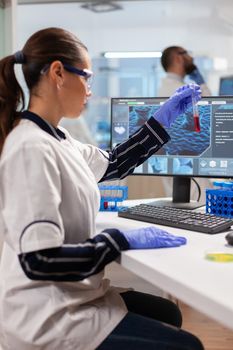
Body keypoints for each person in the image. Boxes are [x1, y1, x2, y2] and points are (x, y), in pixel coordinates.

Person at [0, 28, 204, 350]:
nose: (90, 91)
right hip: (47, 315)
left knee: (167, 311)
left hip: (74, 294)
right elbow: (40, 260)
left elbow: (114, 164)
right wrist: (118, 239)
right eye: (87, 78)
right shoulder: (30, 148)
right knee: (187, 346)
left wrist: (161, 121)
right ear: (58, 73)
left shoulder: (58, 139)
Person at [158, 45, 212, 201]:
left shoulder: (166, 87)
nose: (192, 58)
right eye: (188, 53)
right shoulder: (180, 89)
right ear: (178, 58)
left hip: (179, 161)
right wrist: (202, 84)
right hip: (187, 163)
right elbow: (209, 110)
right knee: (199, 208)